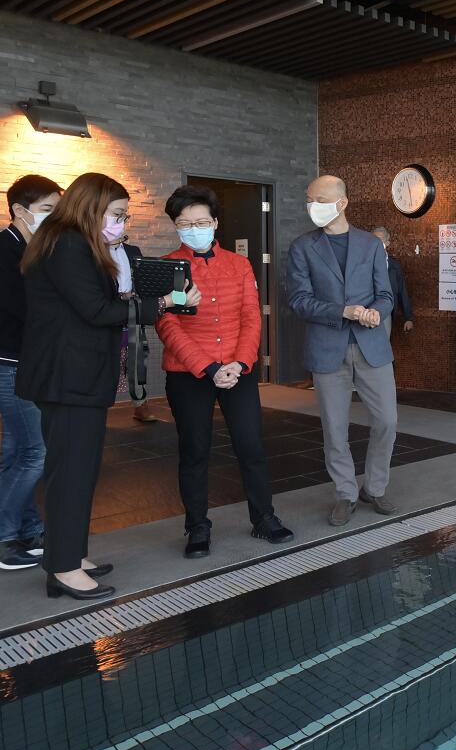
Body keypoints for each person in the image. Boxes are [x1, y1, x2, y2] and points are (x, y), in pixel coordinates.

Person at [19, 173, 198, 599]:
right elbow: (97, 311)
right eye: (116, 214)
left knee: (78, 470)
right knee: (71, 473)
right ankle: (63, 568)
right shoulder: (67, 245)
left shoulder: (73, 243)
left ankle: (68, 554)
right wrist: (167, 302)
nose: (121, 222)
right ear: (92, 207)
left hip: (76, 378)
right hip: (68, 378)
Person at [156, 185, 293, 558]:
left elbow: (251, 316)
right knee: (195, 450)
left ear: (215, 223)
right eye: (185, 223)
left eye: (201, 222)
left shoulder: (238, 264)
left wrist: (241, 363)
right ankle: (197, 527)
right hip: (188, 374)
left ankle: (264, 518)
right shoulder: (170, 267)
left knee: (251, 446)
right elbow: (167, 325)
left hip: (238, 369)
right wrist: (208, 367)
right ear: (176, 226)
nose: (194, 229)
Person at [287, 175, 398, 527]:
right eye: (309, 200)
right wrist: (343, 311)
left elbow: (386, 294)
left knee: (387, 421)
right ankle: (346, 493)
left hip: (371, 346)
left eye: (320, 200)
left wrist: (377, 311)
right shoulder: (303, 247)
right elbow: (299, 300)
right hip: (327, 349)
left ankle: (374, 487)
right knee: (335, 429)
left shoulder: (370, 245)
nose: (312, 206)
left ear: (342, 203)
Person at [0, 175, 61, 571]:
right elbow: (22, 309)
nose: (54, 218)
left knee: (16, 451)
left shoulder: (31, 248)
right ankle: (5, 537)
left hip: (24, 362)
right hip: (10, 364)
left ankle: (28, 529)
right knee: (36, 453)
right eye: (47, 210)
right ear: (19, 210)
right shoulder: (5, 250)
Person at [109, 226, 163, 423]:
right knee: (109, 362)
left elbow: (142, 280)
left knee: (138, 360)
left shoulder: (133, 251)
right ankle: (101, 405)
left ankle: (140, 404)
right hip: (109, 314)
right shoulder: (94, 251)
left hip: (133, 312)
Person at [371, 226, 414, 333]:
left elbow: (402, 291)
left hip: (388, 312)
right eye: (375, 240)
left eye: (381, 240)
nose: (377, 244)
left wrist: (408, 318)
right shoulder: (364, 264)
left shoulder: (395, 266)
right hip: (368, 313)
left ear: (387, 243)